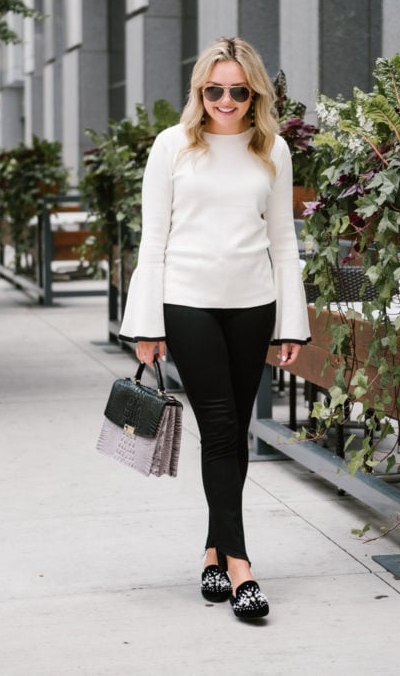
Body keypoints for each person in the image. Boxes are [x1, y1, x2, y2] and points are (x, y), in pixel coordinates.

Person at [118, 37, 310, 620]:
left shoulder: (271, 149)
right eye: (214, 89)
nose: (225, 100)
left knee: (232, 432)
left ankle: (212, 553)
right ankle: (243, 568)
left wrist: (290, 326)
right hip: (188, 302)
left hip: (253, 303)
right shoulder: (172, 146)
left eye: (237, 90)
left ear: (255, 94)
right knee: (222, 425)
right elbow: (153, 240)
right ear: (200, 91)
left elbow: (283, 241)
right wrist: (146, 323)